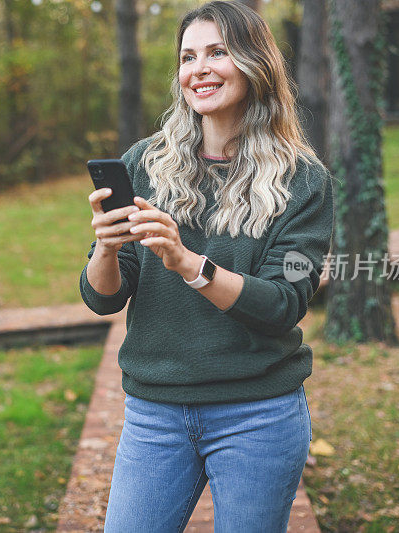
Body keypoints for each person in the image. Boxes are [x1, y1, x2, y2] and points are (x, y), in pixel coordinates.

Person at [79, 1, 333, 531]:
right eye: (188, 56)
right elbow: (103, 297)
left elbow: (283, 304)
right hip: (155, 414)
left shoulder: (303, 181)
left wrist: (189, 263)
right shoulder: (144, 164)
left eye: (218, 52)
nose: (199, 69)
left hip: (257, 414)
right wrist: (105, 248)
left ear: (255, 64)